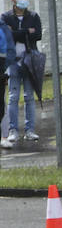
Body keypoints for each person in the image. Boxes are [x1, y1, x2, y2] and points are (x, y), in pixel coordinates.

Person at [3, 0, 42, 142]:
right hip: (12, 62)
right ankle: (13, 130)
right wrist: (26, 32)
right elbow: (6, 36)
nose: (23, 0)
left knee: (29, 97)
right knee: (13, 97)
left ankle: (30, 130)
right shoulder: (6, 17)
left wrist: (17, 33)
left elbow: (37, 35)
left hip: (29, 60)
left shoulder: (33, 16)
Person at [0, 16, 13, 150]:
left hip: (1, 69)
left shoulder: (2, 28)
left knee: (2, 105)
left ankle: (4, 136)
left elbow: (10, 51)